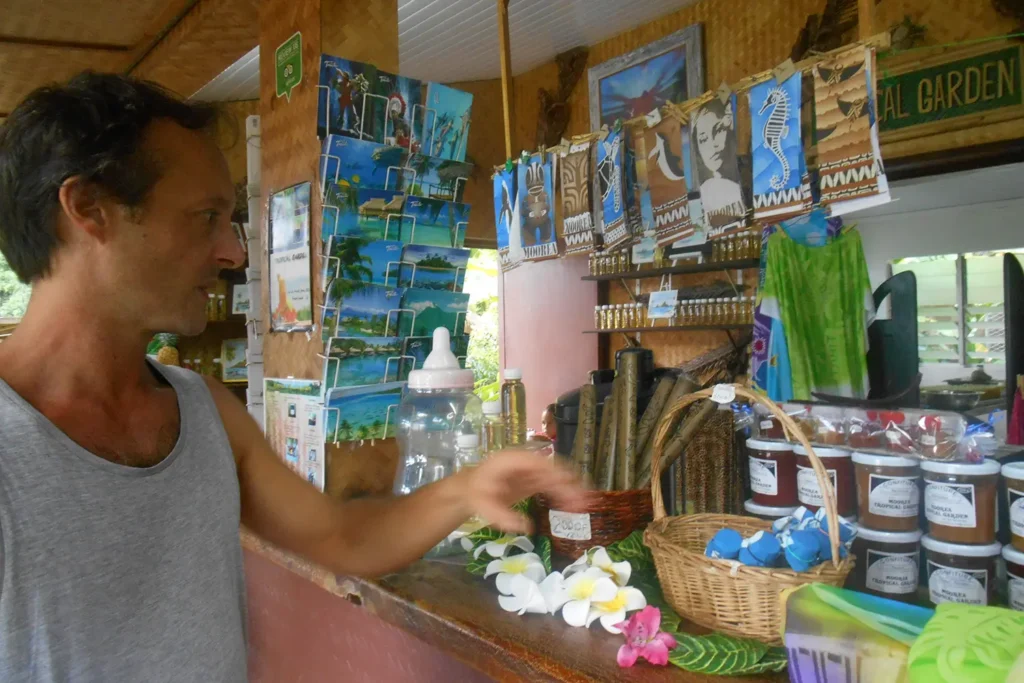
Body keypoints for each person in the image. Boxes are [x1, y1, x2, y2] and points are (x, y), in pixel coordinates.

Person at [0, 72, 582, 682]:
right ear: (89, 209)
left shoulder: (204, 411)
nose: (231, 252)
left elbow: (340, 538)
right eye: (205, 217)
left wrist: (464, 489)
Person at [692, 99, 745, 225]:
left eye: (719, 131)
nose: (713, 145)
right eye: (703, 139)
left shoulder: (744, 178)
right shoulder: (706, 191)